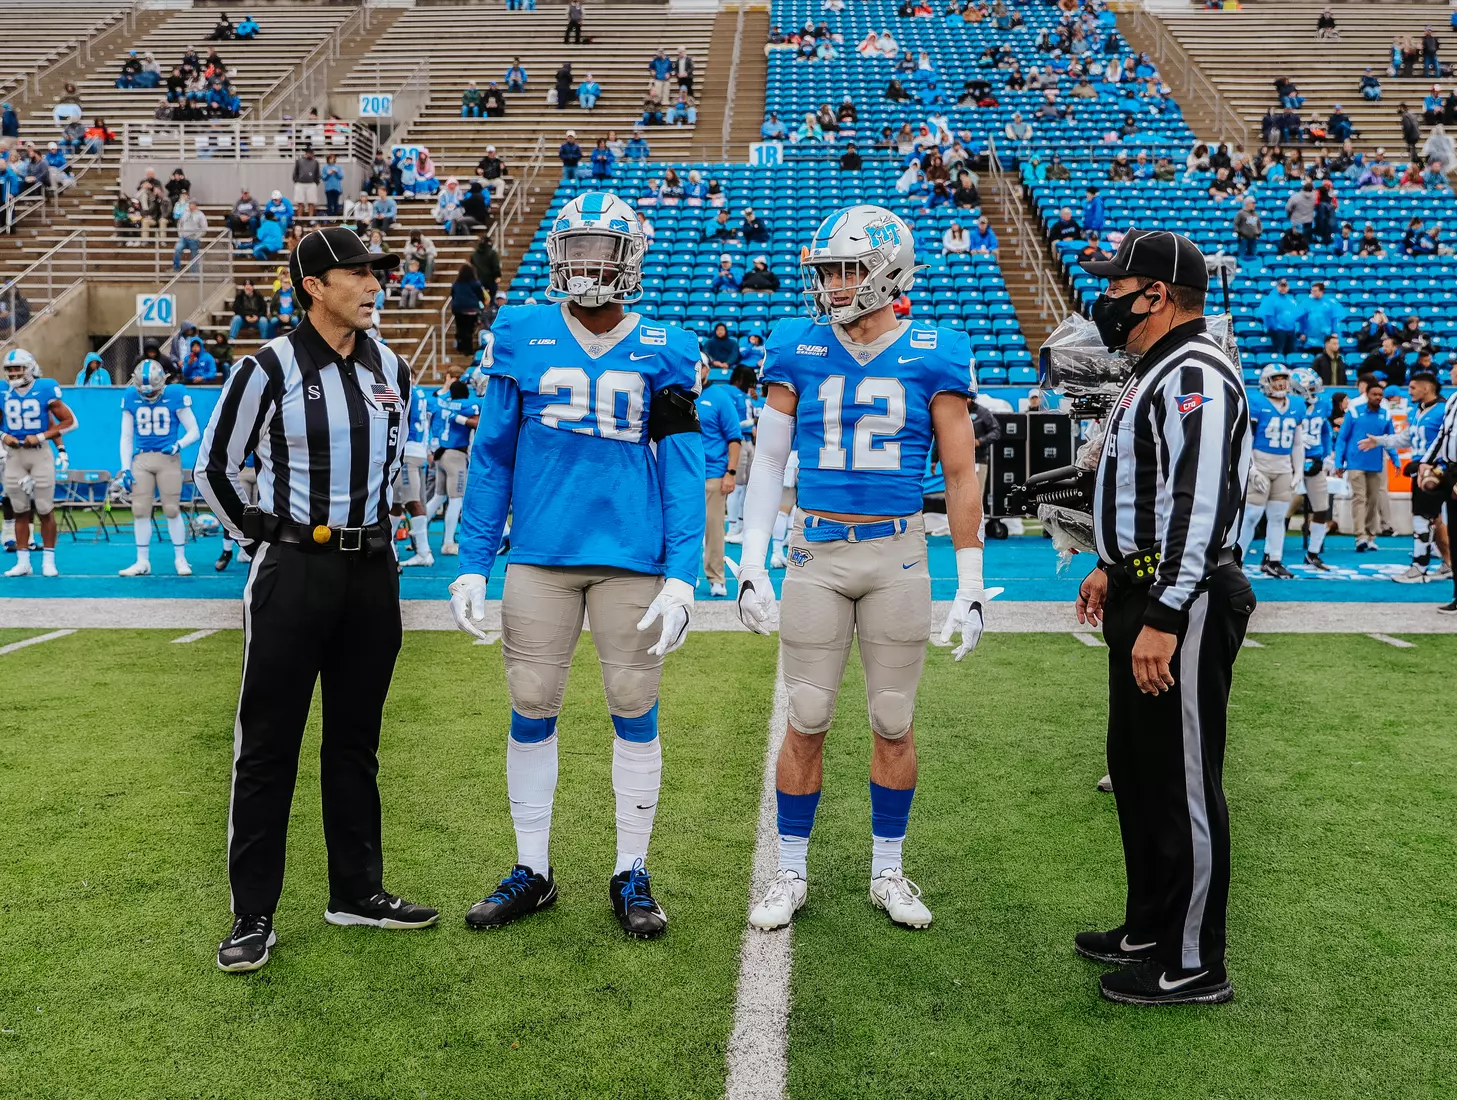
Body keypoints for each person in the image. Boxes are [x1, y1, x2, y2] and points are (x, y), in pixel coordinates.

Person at [448, 191, 706, 939]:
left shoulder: (664, 345)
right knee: (530, 701)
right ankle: (534, 869)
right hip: (539, 555)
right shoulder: (522, 331)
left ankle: (631, 872)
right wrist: (470, 560)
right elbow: (491, 456)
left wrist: (684, 572)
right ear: (560, 255)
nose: (589, 264)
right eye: (578, 248)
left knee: (633, 706)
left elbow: (682, 467)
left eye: (603, 250)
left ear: (630, 260)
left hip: (631, 558)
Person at [736, 204, 985, 935]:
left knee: (892, 720)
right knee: (806, 715)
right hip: (814, 552)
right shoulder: (794, 343)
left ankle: (886, 868)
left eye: (849, 269)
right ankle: (790, 868)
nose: (835, 285)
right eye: (829, 271)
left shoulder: (936, 349)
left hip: (897, 552)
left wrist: (970, 582)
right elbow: (770, 461)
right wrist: (751, 563)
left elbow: (961, 471)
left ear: (889, 270)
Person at [194, 226, 434, 973]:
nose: (373, 285)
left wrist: (398, 526)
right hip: (294, 570)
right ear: (313, 285)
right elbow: (214, 468)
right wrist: (266, 532)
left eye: (377, 273)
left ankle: (356, 891)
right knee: (268, 746)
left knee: (355, 742)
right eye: (356, 273)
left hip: (371, 574)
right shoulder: (265, 367)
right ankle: (252, 914)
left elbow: (398, 466)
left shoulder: (391, 365)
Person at [1072, 230, 1253, 1007]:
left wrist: (1166, 612)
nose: (1105, 299)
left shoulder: (1196, 374)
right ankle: (1149, 924)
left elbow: (1198, 501)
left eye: (1119, 286)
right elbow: (1145, 496)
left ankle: (1191, 960)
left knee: (1180, 779)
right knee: (1140, 771)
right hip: (1141, 587)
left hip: (1183, 596)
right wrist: (1112, 567)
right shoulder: (1155, 371)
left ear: (1156, 294)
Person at [116, 359, 200, 577]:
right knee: (140, 511)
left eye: (153, 391)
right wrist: (125, 468)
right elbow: (126, 437)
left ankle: (181, 559)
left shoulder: (175, 394)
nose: (149, 396)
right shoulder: (131, 396)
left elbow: (194, 431)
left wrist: (178, 444)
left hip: (168, 458)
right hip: (141, 459)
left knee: (172, 509)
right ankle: (142, 561)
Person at [1364, 371, 1450, 582]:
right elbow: (1407, 438)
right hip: (1422, 469)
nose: (1408, 391)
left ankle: (1419, 567)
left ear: (1426, 388)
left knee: (1422, 519)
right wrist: (1380, 441)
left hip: (1434, 472)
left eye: (1412, 387)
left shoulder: (1444, 410)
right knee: (1435, 521)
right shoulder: (1419, 410)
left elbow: (1448, 441)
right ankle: (1448, 564)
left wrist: (1430, 463)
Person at [2, 349, 77, 578]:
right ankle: (23, 561)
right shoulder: (3, 391)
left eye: (18, 368)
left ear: (30, 368)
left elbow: (70, 421)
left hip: (39, 452)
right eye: (10, 369)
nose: (14, 373)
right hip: (15, 455)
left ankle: (48, 560)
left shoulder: (45, 388)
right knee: (19, 510)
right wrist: (3, 437)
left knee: (45, 509)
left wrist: (42, 436)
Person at [1237, 364, 1305, 577]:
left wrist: (1298, 471)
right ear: (1266, 382)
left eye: (1284, 378)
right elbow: (1247, 438)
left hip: (1283, 466)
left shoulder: (1296, 404)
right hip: (1261, 464)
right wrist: (1251, 468)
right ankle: (1235, 559)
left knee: (1278, 517)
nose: (1281, 383)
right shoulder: (1257, 402)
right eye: (1276, 379)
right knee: (1251, 515)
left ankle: (1273, 559)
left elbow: (1297, 443)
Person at [1333, 377, 1399, 551]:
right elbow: (1342, 438)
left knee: (1373, 500)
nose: (1377, 397)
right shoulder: (1354, 412)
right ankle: (1360, 536)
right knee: (1359, 498)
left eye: (1380, 395)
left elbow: (1390, 440)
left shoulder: (1385, 414)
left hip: (1376, 463)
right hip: (1355, 462)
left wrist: (1395, 459)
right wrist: (1339, 461)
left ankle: (1370, 535)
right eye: (1374, 394)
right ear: (1367, 394)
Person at [697, 362, 742, 598]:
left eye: (701, 366)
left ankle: (716, 577)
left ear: (707, 369)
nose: (697, 370)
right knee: (679, 529)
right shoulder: (678, 394)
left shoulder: (719, 397)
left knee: (713, 528)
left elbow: (734, 438)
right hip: (683, 475)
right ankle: (683, 576)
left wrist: (730, 472)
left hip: (712, 473)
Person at [1416, 370, 1457, 611]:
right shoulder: (1452, 399)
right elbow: (1443, 435)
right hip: (1451, 469)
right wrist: (1425, 462)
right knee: (1455, 535)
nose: (1451, 371)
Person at [1258, 278, 1301, 356]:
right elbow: (1268, 316)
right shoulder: (1271, 299)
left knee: (1292, 352)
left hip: (1291, 330)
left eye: (1285, 286)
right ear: (1277, 286)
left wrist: (1295, 328)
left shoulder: (1291, 300)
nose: (1283, 288)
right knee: (1279, 352)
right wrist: (1274, 328)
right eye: (1281, 286)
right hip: (1278, 330)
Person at [450, 264, 485, 355]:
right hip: (471, 309)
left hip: (458, 309)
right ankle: (468, 350)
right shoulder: (475, 283)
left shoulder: (456, 284)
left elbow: (453, 294)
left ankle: (461, 346)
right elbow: (480, 296)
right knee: (469, 330)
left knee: (460, 328)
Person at [173, 200, 207, 272]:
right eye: (190, 204)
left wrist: (197, 236)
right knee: (177, 249)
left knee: (194, 255)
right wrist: (180, 234)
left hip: (194, 238)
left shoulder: (200, 215)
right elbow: (180, 224)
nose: (190, 206)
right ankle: (176, 268)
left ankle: (194, 273)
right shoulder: (185, 213)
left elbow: (204, 228)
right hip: (184, 237)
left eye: (192, 204)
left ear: (195, 205)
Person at [292, 146, 320, 218]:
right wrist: (296, 180)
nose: (310, 154)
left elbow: (317, 173)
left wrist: (316, 182)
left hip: (311, 183)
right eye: (309, 153)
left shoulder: (315, 162)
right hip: (300, 183)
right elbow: (296, 172)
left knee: (311, 202)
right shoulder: (299, 161)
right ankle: (299, 218)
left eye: (311, 153)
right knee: (300, 202)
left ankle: (310, 218)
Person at [1233, 196, 1262, 260]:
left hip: (1254, 237)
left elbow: (1259, 224)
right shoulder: (1241, 213)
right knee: (1241, 255)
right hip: (1243, 237)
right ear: (1247, 203)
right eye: (1252, 203)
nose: (1254, 205)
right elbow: (1235, 224)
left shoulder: (1256, 214)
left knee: (1253, 254)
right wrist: (1239, 232)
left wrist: (1259, 232)